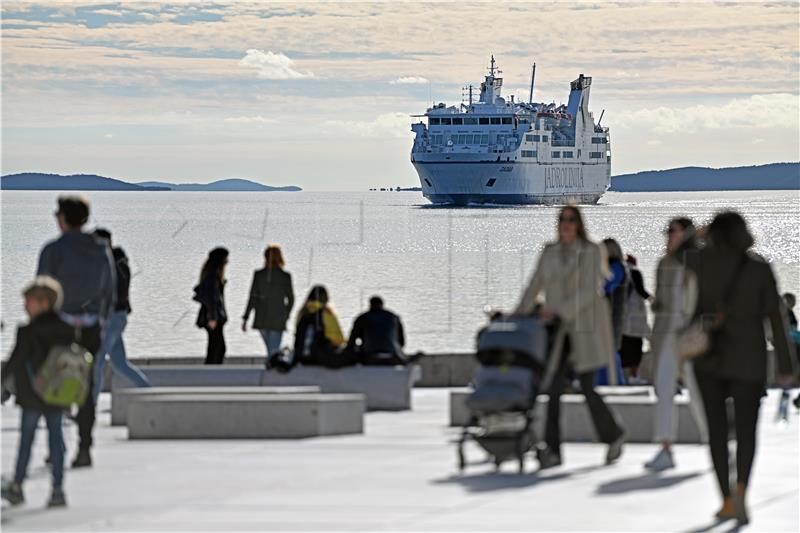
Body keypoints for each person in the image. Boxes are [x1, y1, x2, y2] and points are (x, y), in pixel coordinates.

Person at [689, 211, 796, 525]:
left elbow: (689, 306)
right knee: (747, 433)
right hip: (749, 359)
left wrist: (698, 235)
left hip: (709, 358)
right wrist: (787, 365)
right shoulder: (759, 268)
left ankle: (724, 497)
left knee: (718, 433)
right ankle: (741, 491)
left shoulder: (699, 262)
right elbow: (776, 318)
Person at [515, 205, 626, 468]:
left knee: (587, 387)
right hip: (558, 331)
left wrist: (558, 310)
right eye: (562, 219)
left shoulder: (591, 251)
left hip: (584, 327)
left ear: (578, 224)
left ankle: (614, 434)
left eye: (570, 219)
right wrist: (518, 313)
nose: (565, 224)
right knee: (553, 389)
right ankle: (552, 451)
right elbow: (534, 285)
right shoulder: (549, 252)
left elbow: (590, 291)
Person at [36, 196, 115, 468]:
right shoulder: (101, 250)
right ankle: (84, 447)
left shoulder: (54, 250)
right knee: (86, 389)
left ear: (63, 218)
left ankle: (56, 447)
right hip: (91, 326)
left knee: (55, 387)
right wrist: (100, 322)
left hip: (61, 327)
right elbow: (109, 292)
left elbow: (42, 293)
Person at [1, 278, 74, 507]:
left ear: (43, 303)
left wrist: (2, 382)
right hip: (56, 394)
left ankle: (18, 486)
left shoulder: (27, 331)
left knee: (26, 441)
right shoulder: (67, 328)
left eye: (28, 301)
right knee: (56, 440)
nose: (25, 306)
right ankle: (58, 490)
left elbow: (15, 361)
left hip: (32, 394)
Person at [645, 217, 708, 472]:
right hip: (666, 337)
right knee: (663, 390)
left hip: (691, 338)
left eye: (673, 231)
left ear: (686, 234)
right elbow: (661, 300)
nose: (668, 236)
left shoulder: (696, 262)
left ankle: (716, 442)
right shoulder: (664, 263)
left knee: (698, 393)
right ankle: (665, 447)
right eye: (667, 231)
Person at [91, 229, 151, 401]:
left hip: (113, 317)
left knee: (98, 361)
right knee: (120, 364)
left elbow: (112, 293)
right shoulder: (114, 263)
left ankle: (90, 407)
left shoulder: (115, 265)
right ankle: (148, 390)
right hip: (116, 317)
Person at [242, 245, 294, 364]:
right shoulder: (285, 276)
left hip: (261, 318)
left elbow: (252, 298)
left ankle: (273, 372)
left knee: (271, 350)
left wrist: (246, 317)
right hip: (278, 318)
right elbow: (291, 299)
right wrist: (286, 314)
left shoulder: (258, 275)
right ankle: (275, 374)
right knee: (273, 351)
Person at [293, 285, 354, 368]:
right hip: (321, 357)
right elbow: (339, 339)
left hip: (301, 356)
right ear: (326, 298)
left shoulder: (302, 312)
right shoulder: (327, 314)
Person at [600, 238, 629, 385]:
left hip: (612, 318)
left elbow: (605, 287)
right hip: (608, 318)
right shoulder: (614, 267)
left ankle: (614, 384)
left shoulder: (616, 268)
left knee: (609, 352)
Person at [347, 296, 407, 365]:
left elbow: (351, 342)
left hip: (369, 356)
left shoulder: (362, 318)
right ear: (382, 304)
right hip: (392, 355)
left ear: (370, 305)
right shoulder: (394, 317)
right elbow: (402, 342)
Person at [194, 247, 229, 365]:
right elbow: (212, 298)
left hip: (213, 316)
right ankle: (211, 373)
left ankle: (212, 372)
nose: (227, 262)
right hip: (214, 318)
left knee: (217, 347)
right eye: (225, 259)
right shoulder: (213, 276)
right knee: (217, 348)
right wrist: (213, 317)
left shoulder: (210, 274)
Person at [620, 255, 651, 383]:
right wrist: (655, 300)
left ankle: (625, 376)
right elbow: (641, 291)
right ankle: (635, 375)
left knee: (624, 349)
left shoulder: (620, 273)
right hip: (635, 321)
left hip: (623, 322)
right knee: (636, 348)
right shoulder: (635, 272)